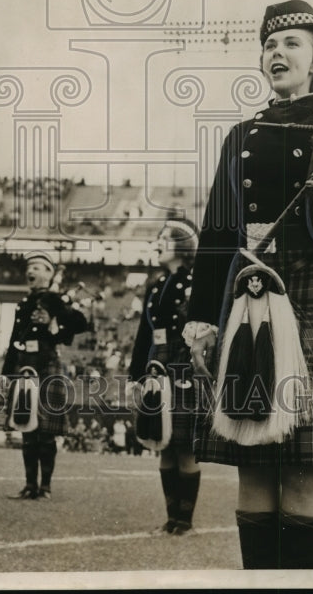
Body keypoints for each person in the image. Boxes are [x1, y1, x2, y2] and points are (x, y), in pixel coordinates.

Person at [184, 0, 313, 569]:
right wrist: (202, 318)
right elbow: (217, 234)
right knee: (253, 465)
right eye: (269, 47)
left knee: (305, 471)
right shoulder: (241, 134)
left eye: (292, 44)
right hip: (250, 298)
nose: (277, 54)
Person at [128, 219, 201, 535]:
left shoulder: (196, 283)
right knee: (163, 443)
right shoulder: (156, 285)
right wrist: (136, 375)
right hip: (157, 365)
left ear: (183, 246)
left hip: (184, 365)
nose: (157, 242)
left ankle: (185, 521)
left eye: (164, 237)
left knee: (184, 446)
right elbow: (144, 335)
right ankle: (171, 518)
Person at [2, 254, 88, 500]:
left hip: (47, 364)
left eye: (37, 267)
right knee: (26, 428)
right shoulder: (24, 303)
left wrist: (55, 320)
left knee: (46, 431)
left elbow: (80, 324)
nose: (31, 270)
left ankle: (45, 486)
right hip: (25, 365)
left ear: (49, 274)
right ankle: (30, 485)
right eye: (29, 267)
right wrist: (7, 372)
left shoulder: (57, 301)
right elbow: (14, 338)